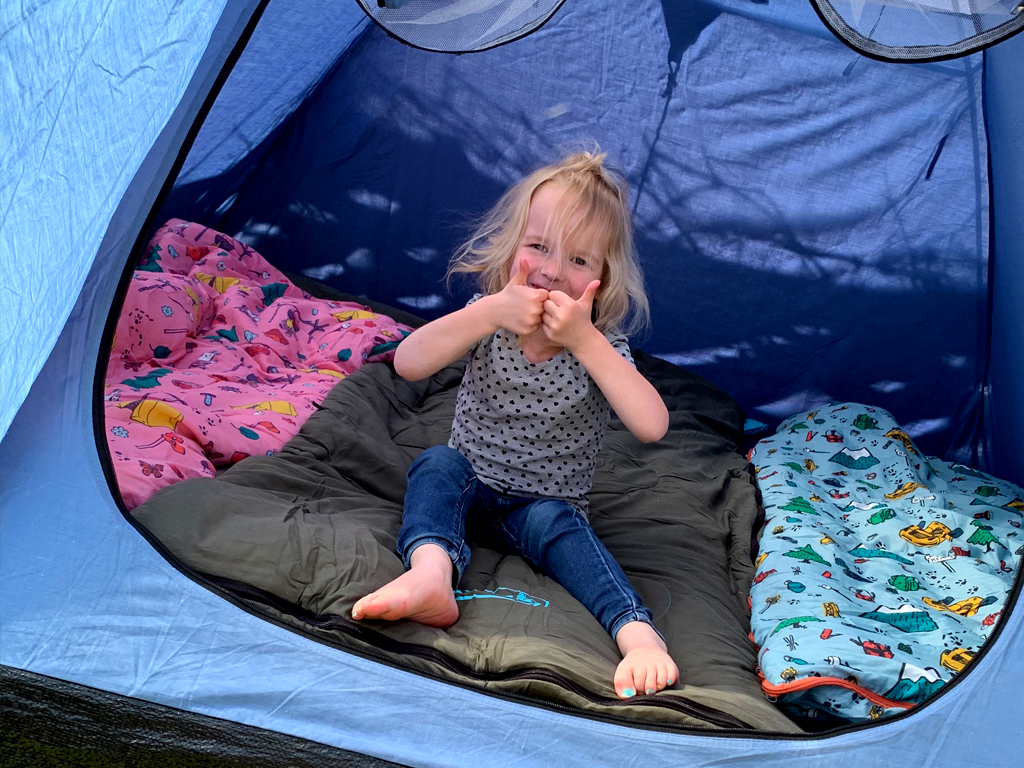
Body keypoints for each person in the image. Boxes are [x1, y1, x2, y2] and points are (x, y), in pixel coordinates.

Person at [351, 150, 678, 699]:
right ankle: (432, 574)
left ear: (603, 277)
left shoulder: (602, 347)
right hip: (470, 487)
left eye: (578, 260)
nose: (552, 270)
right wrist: (485, 313)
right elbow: (407, 364)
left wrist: (585, 340)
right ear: (511, 253)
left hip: (543, 508)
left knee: (566, 532)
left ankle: (638, 633)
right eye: (538, 247)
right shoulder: (489, 315)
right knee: (436, 464)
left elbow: (653, 426)